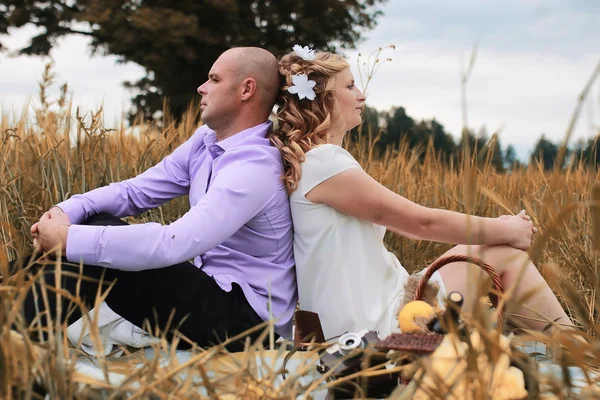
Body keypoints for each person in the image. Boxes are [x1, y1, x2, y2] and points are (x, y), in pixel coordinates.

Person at [268, 46, 574, 340]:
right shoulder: (324, 162)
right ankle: (581, 359)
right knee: (504, 253)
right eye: (350, 86)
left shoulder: (317, 161)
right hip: (378, 323)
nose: (362, 95)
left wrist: (502, 228)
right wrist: (508, 231)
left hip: (379, 306)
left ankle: (565, 353)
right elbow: (418, 224)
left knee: (497, 245)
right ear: (324, 100)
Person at [18, 47, 297, 353]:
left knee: (88, 245)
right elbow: (135, 192)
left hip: (249, 322)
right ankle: (15, 325)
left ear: (246, 89)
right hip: (211, 293)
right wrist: (64, 213)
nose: (201, 88)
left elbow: (175, 242)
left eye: (214, 79)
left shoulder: (255, 166)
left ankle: (13, 343)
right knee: (90, 226)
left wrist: (67, 239)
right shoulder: (204, 142)